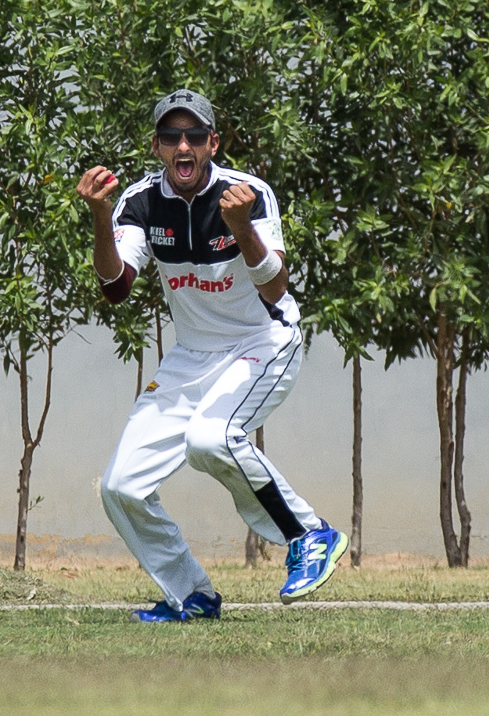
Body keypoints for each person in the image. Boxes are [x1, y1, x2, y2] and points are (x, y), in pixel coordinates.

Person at [77, 88, 347, 621]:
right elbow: (115, 287)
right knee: (120, 486)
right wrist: (101, 216)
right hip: (192, 355)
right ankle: (192, 595)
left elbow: (275, 288)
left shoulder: (248, 194)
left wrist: (241, 227)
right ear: (157, 146)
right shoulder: (139, 202)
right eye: (172, 136)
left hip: (262, 341)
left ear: (212, 143)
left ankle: (310, 534)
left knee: (211, 438)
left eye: (195, 135)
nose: (184, 145)